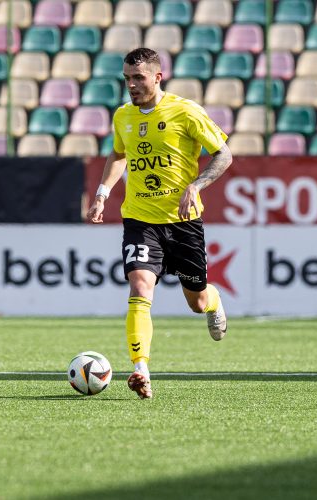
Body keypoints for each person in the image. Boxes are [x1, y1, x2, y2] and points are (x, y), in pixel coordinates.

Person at [87, 47, 233, 399]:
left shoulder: (185, 112)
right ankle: (141, 370)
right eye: (126, 79)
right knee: (139, 288)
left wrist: (196, 185)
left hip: (183, 222)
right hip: (140, 219)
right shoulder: (123, 117)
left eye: (138, 78)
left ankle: (214, 301)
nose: (131, 85)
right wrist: (103, 192)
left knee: (196, 302)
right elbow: (119, 154)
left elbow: (223, 154)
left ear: (157, 76)